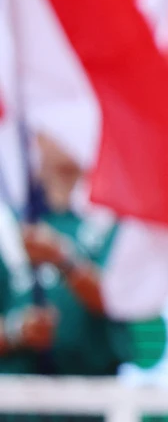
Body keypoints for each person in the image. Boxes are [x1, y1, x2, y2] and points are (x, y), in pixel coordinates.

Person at [0, 132, 129, 377]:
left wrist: (62, 258)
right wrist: (16, 331)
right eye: (57, 128)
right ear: (37, 140)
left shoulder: (109, 219)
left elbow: (116, 299)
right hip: (15, 399)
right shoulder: (7, 223)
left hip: (95, 396)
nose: (70, 135)